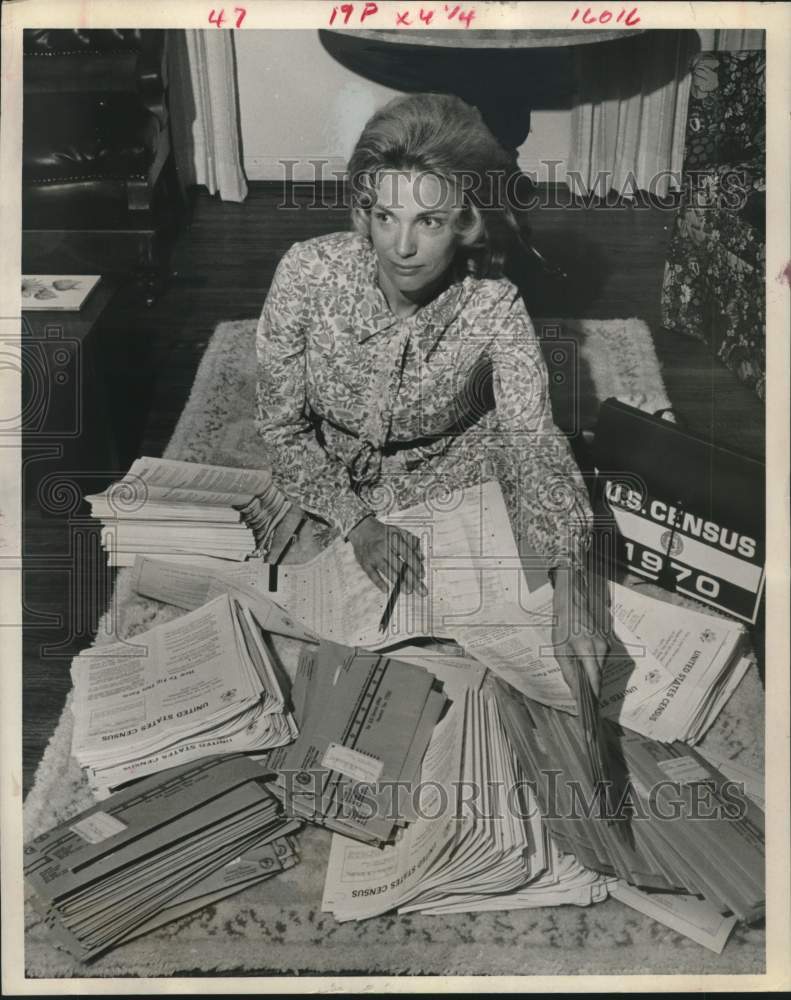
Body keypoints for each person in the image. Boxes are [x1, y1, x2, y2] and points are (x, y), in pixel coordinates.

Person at [250, 92, 608, 696]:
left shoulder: (495, 305)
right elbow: (281, 428)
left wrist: (573, 585)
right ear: (364, 212)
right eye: (386, 217)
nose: (402, 247)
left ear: (467, 223)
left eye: (430, 221)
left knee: (501, 635)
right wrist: (358, 523)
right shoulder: (306, 274)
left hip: (453, 474)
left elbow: (533, 441)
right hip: (335, 480)